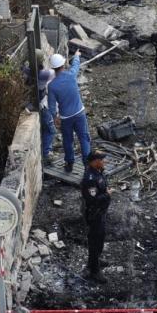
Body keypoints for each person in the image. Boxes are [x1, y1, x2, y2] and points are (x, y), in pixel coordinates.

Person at [47, 50, 92, 173]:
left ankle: (69, 163)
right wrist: (76, 55)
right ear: (63, 65)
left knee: (67, 140)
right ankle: (87, 165)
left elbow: (51, 106)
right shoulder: (71, 75)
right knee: (84, 138)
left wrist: (55, 117)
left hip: (66, 118)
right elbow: (76, 65)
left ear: (53, 68)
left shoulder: (52, 86)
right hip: (79, 114)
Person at [81, 149, 110, 284]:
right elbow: (92, 200)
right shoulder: (90, 179)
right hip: (94, 214)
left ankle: (95, 260)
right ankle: (94, 271)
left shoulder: (98, 172)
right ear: (95, 162)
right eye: (101, 160)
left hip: (101, 212)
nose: (104, 161)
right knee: (94, 241)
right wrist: (108, 194)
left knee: (100, 238)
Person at [37, 64, 56, 160]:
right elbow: (54, 72)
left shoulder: (31, 75)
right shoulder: (42, 76)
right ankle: (47, 153)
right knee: (50, 130)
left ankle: (47, 150)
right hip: (44, 107)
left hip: (41, 107)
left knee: (46, 130)